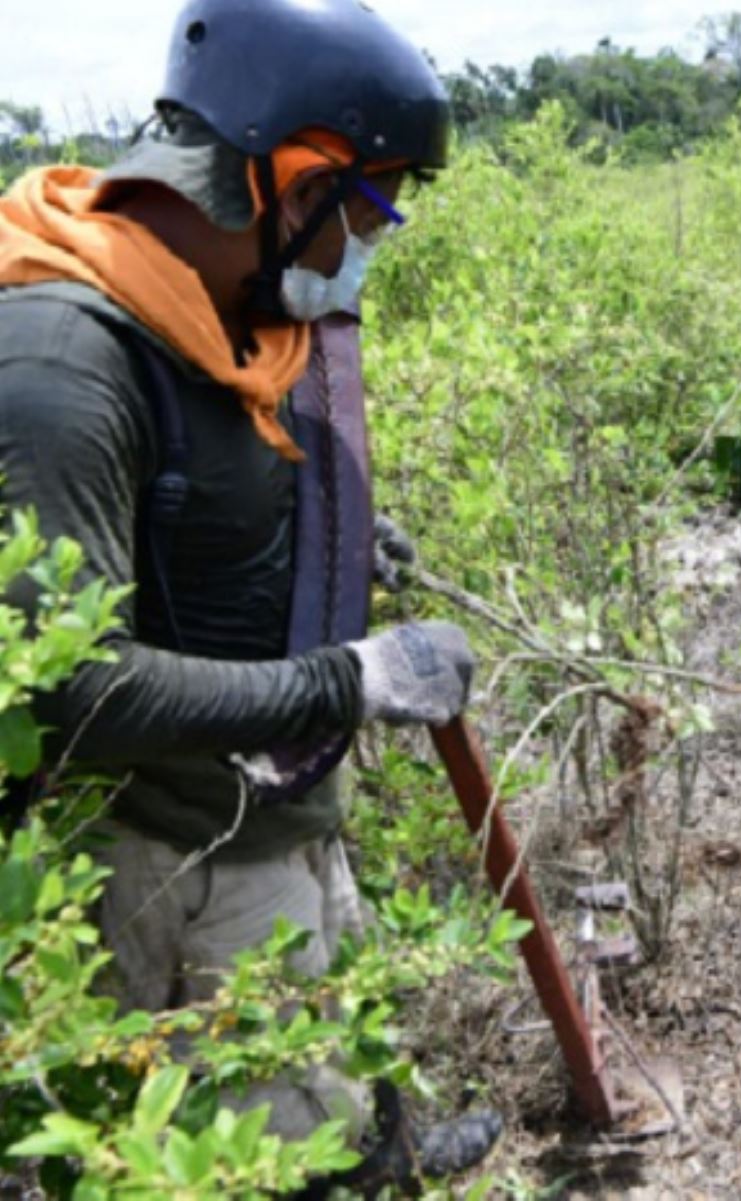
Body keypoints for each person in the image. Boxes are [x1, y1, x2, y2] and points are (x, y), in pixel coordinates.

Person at [0, 0, 499, 1186]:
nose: (374, 242)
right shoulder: (64, 363)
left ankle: (383, 1156)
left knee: (333, 1066)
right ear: (292, 182)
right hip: (160, 860)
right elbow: (69, 679)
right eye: (372, 208)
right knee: (238, 1153)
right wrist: (353, 679)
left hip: (275, 815)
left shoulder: (227, 313)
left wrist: (333, 541)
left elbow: (202, 508)